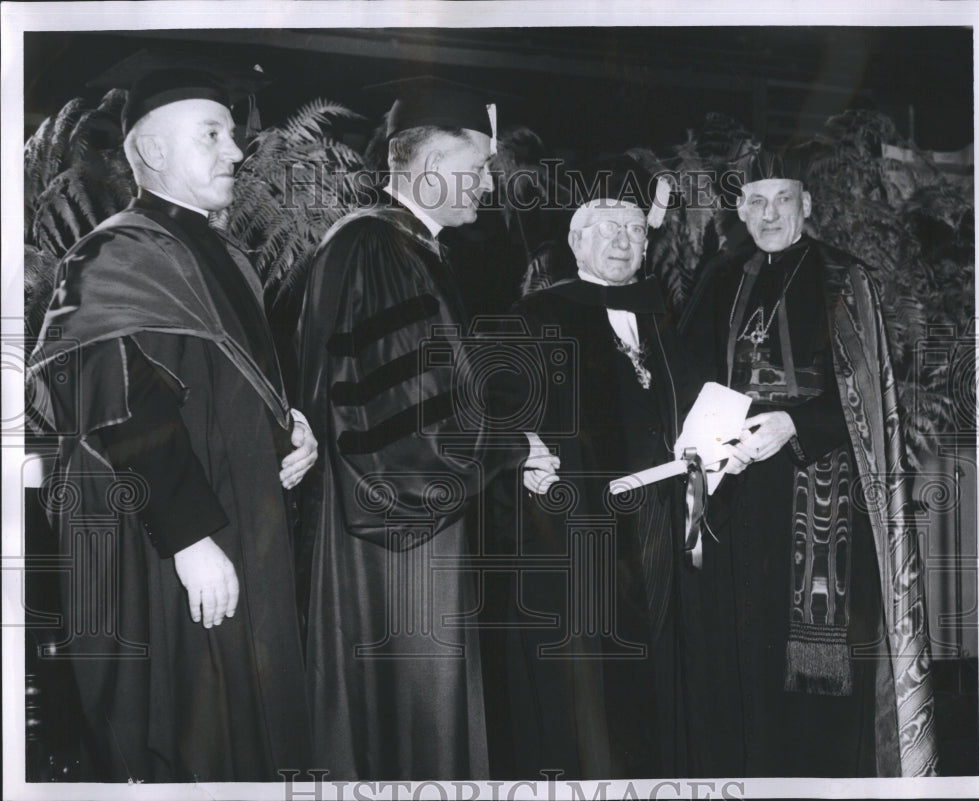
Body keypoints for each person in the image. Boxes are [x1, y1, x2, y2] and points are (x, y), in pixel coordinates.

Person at [26, 58, 316, 782]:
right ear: (153, 151)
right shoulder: (114, 255)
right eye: (211, 134)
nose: (236, 151)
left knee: (257, 721)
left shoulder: (222, 253)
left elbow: (224, 380)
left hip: (245, 520)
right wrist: (188, 536)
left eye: (230, 135)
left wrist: (292, 428)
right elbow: (118, 405)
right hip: (175, 536)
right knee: (200, 729)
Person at [296, 76, 557, 780]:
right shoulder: (377, 250)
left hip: (399, 524)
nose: (484, 188)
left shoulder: (407, 248)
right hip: (392, 535)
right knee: (408, 715)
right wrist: (508, 443)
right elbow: (397, 422)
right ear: (434, 165)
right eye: (475, 170)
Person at [678, 147, 937, 776]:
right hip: (736, 496)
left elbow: (873, 397)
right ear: (740, 208)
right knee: (743, 661)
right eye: (756, 201)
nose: (769, 214)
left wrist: (797, 422)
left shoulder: (845, 278)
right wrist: (709, 441)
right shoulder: (722, 277)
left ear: (807, 206)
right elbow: (688, 376)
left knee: (819, 680)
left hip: (825, 495)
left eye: (783, 200)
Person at [494, 156, 695, 779]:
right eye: (606, 227)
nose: (622, 240)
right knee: (588, 687)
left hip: (660, 525)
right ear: (577, 241)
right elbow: (498, 408)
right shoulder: (535, 315)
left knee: (662, 670)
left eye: (634, 229)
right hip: (578, 528)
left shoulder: (663, 316)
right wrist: (523, 451)